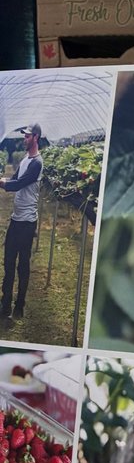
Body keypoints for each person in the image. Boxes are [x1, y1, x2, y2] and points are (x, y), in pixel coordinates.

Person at [1, 124, 43, 320]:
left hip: (27, 222)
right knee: (8, 262)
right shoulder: (26, 159)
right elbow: (15, 178)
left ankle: (19, 305)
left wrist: (3, 183)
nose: (24, 139)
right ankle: (5, 304)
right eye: (24, 136)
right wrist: (4, 179)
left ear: (35, 137)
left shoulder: (37, 163)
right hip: (16, 220)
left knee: (22, 264)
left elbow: (17, 184)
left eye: (27, 136)